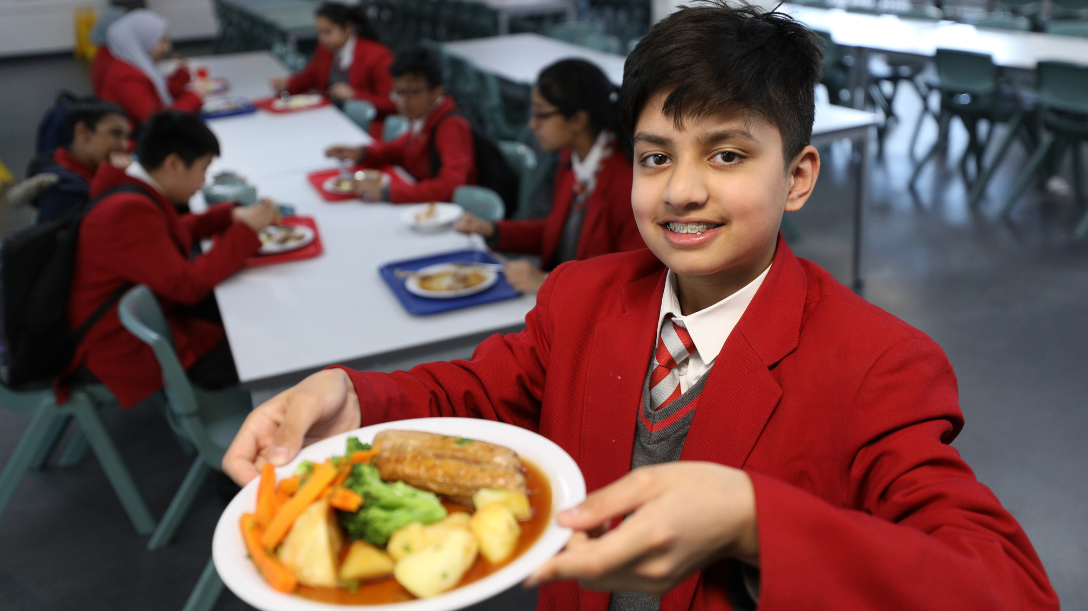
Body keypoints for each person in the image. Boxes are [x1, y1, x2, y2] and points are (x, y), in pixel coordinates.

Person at [222, 3, 1058, 609]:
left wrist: (755, 522)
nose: (682, 190)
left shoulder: (877, 363)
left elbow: (1009, 586)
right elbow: (474, 396)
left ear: (797, 176)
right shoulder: (584, 296)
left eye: (726, 154)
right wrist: (358, 395)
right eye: (656, 157)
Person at [65, 111, 274, 409]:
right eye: (203, 169)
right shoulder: (127, 211)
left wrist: (227, 215)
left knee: (241, 307)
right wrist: (245, 232)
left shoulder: (132, 190)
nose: (203, 181)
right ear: (174, 165)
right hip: (122, 347)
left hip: (144, 318)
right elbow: (185, 286)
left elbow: (162, 237)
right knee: (261, 350)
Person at [454, 59, 645, 294]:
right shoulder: (571, 158)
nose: (532, 124)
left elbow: (633, 283)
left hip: (592, 314)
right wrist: (493, 230)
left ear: (578, 120)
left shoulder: (628, 183)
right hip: (559, 300)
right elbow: (555, 232)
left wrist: (547, 282)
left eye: (541, 114)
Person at [324, 45, 475, 204]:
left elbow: (450, 186)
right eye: (398, 93)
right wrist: (360, 153)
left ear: (436, 92)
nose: (403, 102)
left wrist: (386, 193)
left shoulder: (451, 126)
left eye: (412, 93)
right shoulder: (424, 116)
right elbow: (401, 149)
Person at [269, 1, 395, 119]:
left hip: (362, 125)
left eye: (327, 32)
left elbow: (390, 104)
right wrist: (287, 85)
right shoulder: (324, 50)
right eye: (319, 32)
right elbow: (308, 77)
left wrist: (355, 95)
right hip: (330, 118)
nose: (321, 38)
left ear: (348, 28)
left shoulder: (377, 55)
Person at [95, 9, 210, 127]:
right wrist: (195, 97)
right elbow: (158, 124)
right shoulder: (126, 78)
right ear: (143, 41)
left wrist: (181, 76)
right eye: (162, 41)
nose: (167, 47)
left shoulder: (134, 64)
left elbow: (158, 93)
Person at [30, 100, 130, 222]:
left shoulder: (89, 173)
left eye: (126, 136)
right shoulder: (59, 189)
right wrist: (115, 184)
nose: (124, 145)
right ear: (82, 132)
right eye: (115, 133)